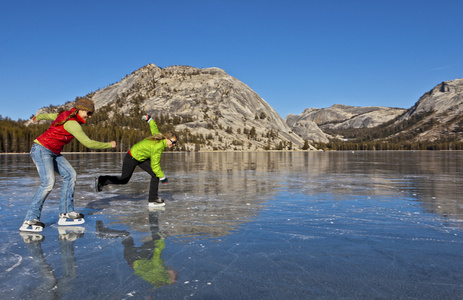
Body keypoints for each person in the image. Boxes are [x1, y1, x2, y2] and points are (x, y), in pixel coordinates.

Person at [20, 98, 116, 232]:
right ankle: (30, 220)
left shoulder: (66, 115)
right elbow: (88, 143)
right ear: (80, 109)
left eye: (91, 114)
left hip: (53, 152)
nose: (89, 117)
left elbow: (50, 116)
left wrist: (39, 117)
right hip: (42, 150)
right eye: (88, 113)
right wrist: (108, 145)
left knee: (70, 175)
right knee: (48, 183)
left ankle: (65, 213)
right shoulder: (72, 123)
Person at [95, 115, 177, 207]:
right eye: (173, 142)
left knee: (155, 175)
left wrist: (149, 119)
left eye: (175, 143)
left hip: (140, 158)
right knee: (124, 180)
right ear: (167, 139)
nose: (174, 145)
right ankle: (102, 180)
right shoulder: (158, 146)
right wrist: (163, 177)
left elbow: (154, 127)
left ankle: (152, 199)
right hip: (132, 157)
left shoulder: (159, 137)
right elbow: (155, 165)